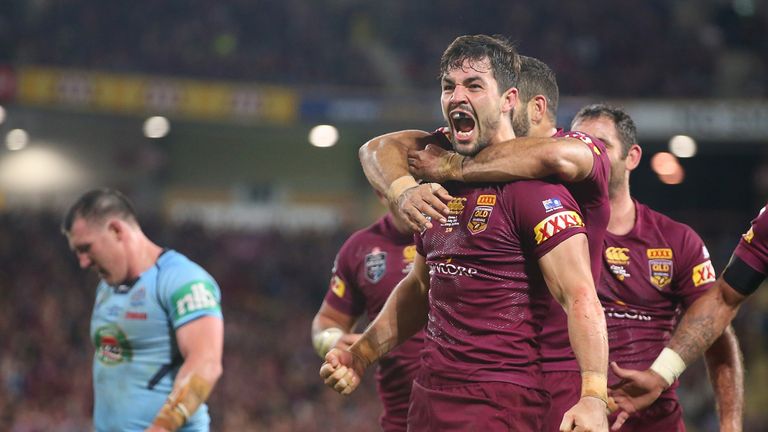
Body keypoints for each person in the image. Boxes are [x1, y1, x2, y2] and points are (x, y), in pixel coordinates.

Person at [321, 34, 610, 431]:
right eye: (448, 86)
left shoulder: (536, 191)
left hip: (498, 398)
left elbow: (579, 295)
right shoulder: (437, 182)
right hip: (428, 395)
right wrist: (363, 353)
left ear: (510, 99)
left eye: (474, 86)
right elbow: (421, 287)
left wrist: (594, 395)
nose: (457, 96)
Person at [567, 104, 743, 431]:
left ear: (632, 157)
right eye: (578, 145)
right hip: (572, 419)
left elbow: (716, 330)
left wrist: (731, 425)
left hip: (655, 422)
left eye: (600, 146)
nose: (587, 156)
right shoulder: (550, 230)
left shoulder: (676, 240)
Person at [62, 189, 223, 432]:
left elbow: (206, 364)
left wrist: (161, 427)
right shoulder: (106, 287)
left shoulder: (182, 280)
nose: (83, 262)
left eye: (86, 248)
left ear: (116, 230)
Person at [311, 197, 423, 432]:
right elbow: (327, 320)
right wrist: (333, 341)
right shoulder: (359, 248)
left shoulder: (458, 230)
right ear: (380, 191)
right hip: (403, 416)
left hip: (470, 404)